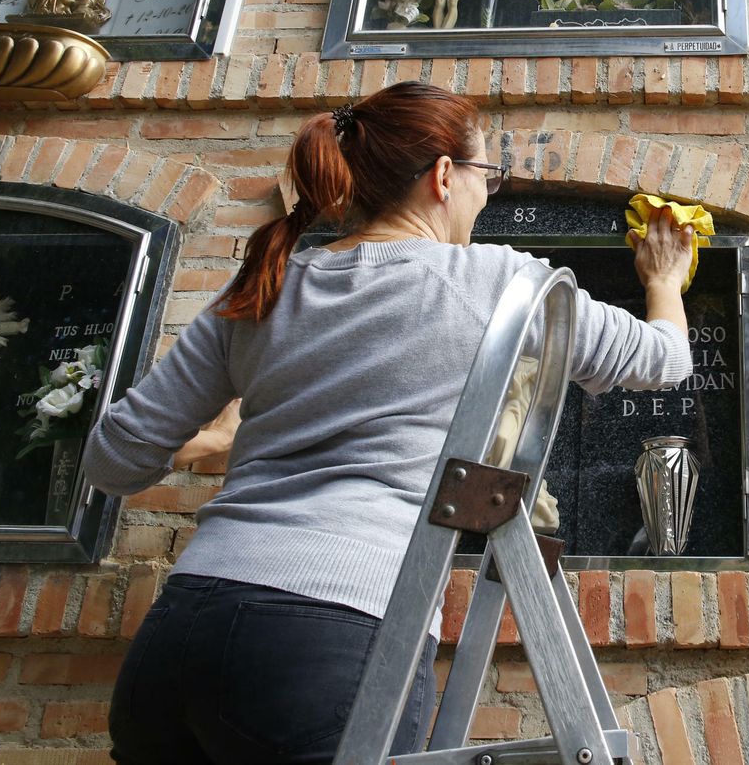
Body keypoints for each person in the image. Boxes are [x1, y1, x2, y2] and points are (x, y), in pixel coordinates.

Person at [83, 81, 695, 765]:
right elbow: (664, 360)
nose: (485, 194)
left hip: (179, 636)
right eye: (485, 176)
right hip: (331, 643)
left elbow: (113, 460)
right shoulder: (494, 282)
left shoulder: (268, 281)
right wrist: (664, 281)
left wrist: (225, 439)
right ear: (442, 177)